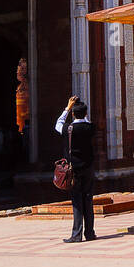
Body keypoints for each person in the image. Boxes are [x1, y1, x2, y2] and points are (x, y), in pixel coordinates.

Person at [56, 95, 95, 242]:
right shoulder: (90, 127)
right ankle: (90, 233)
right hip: (89, 168)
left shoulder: (68, 129)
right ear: (86, 114)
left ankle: (76, 234)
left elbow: (58, 124)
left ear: (73, 114)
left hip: (74, 171)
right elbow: (87, 121)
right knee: (88, 200)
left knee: (77, 202)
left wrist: (67, 107)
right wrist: (81, 113)